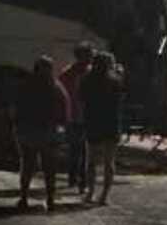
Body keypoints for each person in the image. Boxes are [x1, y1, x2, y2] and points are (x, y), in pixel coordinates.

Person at [12, 56, 72, 211]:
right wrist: (62, 128)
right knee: (50, 168)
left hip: (28, 131)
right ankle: (50, 199)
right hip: (49, 132)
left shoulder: (25, 86)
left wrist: (17, 126)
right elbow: (65, 111)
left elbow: (17, 108)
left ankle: (24, 198)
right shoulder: (57, 87)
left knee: (27, 166)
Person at [81, 51, 124, 205]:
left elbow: (81, 98)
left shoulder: (87, 79)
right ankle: (104, 195)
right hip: (111, 124)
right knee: (109, 161)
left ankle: (90, 192)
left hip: (93, 123)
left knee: (91, 161)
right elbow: (121, 99)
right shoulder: (115, 81)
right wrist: (119, 74)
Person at [58, 41, 94, 192]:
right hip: (82, 117)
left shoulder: (67, 73)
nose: (92, 57)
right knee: (83, 151)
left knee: (75, 150)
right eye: (90, 54)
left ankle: (74, 179)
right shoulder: (90, 73)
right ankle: (81, 182)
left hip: (73, 117)